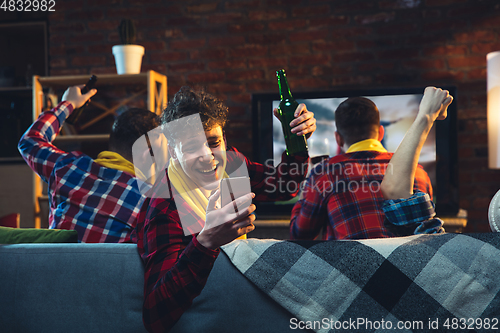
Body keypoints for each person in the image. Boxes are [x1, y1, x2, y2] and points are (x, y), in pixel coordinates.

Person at [133, 86, 316, 332]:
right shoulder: (165, 206)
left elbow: (284, 187)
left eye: (213, 143)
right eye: (191, 148)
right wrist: (205, 242)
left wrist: (297, 140)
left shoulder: (232, 163)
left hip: (240, 304)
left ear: (225, 140)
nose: (207, 156)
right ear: (173, 152)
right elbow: (155, 316)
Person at [18, 85, 164, 243]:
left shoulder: (68, 167)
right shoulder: (150, 204)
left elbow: (30, 141)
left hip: (52, 267)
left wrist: (69, 103)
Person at [290, 96, 433, 240]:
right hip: (405, 262)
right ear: (381, 133)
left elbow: (300, 235)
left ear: (338, 138)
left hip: (348, 262)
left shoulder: (324, 173)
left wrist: (307, 185)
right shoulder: (417, 171)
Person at [381, 87, 453, 233]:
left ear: (338, 137)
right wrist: (426, 116)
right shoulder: (420, 172)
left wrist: (426, 116)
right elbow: (394, 191)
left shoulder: (328, 171)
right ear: (380, 133)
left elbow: (394, 191)